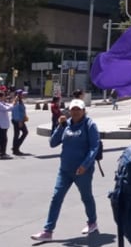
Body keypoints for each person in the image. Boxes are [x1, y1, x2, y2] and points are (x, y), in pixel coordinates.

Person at [30, 99, 100, 241]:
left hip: (82, 171)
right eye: (73, 109)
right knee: (56, 197)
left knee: (86, 197)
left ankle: (92, 222)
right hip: (65, 169)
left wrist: (85, 165)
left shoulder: (89, 125)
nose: (75, 112)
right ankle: (47, 231)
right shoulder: (66, 124)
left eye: (78, 109)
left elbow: (94, 147)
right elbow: (53, 143)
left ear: (83, 111)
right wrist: (60, 126)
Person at [11, 89, 29, 155]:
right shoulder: (17, 102)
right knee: (23, 132)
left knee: (17, 134)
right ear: (18, 95)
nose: (23, 95)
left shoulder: (20, 101)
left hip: (19, 120)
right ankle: (15, 148)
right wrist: (20, 121)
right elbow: (16, 113)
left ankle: (15, 148)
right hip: (18, 120)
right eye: (22, 94)